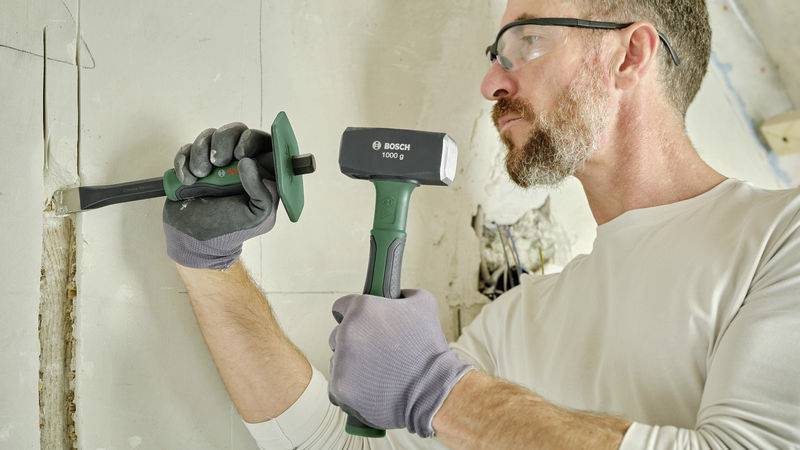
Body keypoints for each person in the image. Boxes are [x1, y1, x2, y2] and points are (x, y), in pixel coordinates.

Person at [163, 0, 800, 448]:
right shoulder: (521, 321)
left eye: (527, 41)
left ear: (630, 55)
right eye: (497, 53)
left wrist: (443, 394)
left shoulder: (782, 238)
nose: (492, 81)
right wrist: (210, 267)